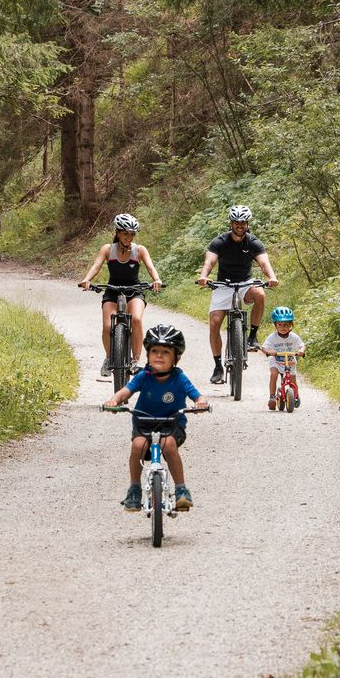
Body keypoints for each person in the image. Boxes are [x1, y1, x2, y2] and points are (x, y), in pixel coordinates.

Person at [105, 321, 199, 512]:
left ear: (176, 358)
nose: (159, 356)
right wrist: (114, 400)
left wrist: (200, 403)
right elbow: (125, 391)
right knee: (138, 445)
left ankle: (181, 490)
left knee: (168, 445)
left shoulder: (179, 378)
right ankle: (134, 489)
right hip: (144, 423)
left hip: (172, 425)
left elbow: (197, 395)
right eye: (155, 351)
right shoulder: (143, 376)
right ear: (147, 354)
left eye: (166, 352)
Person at [195, 203, 279, 385]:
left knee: (261, 295)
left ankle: (252, 337)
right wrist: (203, 276)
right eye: (236, 222)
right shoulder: (220, 241)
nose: (240, 225)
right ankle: (218, 367)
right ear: (231, 223)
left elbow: (264, 264)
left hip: (245, 284)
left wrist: (272, 277)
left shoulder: (253, 242)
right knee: (214, 324)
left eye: (243, 222)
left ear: (247, 224)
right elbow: (209, 262)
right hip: (223, 285)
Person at [79, 213, 163, 376]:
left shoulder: (139, 250)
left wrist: (156, 279)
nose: (129, 237)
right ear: (117, 233)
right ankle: (110, 358)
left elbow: (150, 267)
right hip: (112, 290)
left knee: (137, 319)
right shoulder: (108, 249)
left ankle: (135, 360)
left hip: (134, 290)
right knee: (108, 326)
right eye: (125, 233)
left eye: (132, 234)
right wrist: (87, 279)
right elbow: (96, 266)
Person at [262, 307, 305, 409]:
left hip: (290, 362)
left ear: (291, 324)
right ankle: (272, 397)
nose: (283, 327)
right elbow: (264, 347)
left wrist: (301, 351)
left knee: (293, 382)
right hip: (276, 361)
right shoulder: (273, 337)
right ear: (275, 325)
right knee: (273, 374)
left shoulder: (294, 337)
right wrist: (268, 352)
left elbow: (302, 345)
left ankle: (295, 396)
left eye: (286, 324)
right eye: (279, 324)